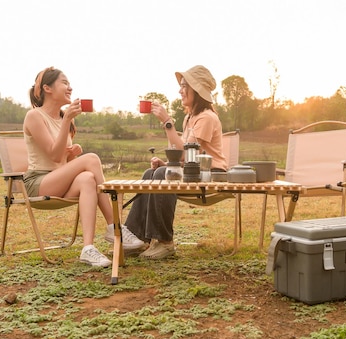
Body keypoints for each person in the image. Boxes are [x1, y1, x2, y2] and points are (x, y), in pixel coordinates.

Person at [22, 67, 145, 267]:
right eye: (64, 82)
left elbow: (60, 160)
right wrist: (68, 121)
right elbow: (53, 155)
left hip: (58, 180)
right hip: (39, 182)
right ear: (47, 88)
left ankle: (87, 248)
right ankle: (115, 227)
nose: (70, 87)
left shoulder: (63, 119)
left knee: (88, 178)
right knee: (92, 159)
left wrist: (71, 156)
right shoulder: (35, 116)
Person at [125, 65, 228, 259]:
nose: (180, 90)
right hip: (193, 171)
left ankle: (165, 241)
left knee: (163, 176)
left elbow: (186, 155)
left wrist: (167, 122)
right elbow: (184, 156)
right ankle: (137, 239)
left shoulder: (207, 117)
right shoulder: (191, 117)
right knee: (151, 174)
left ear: (196, 90)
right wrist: (167, 163)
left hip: (211, 173)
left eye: (184, 86)